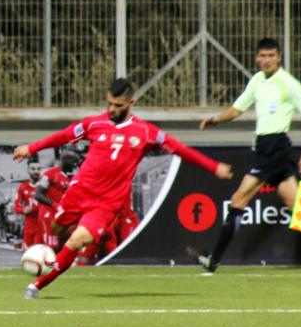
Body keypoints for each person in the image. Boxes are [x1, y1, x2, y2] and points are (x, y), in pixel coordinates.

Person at [14, 77, 232, 298]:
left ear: (131, 103)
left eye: (118, 105)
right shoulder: (93, 124)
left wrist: (213, 167)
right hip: (79, 193)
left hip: (106, 204)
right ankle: (54, 256)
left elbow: (179, 149)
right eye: (109, 103)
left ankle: (36, 286)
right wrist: (32, 148)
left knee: (77, 241)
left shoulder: (145, 132)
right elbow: (65, 135)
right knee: (55, 229)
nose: (111, 109)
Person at [192, 37, 301, 272]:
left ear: (279, 58)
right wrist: (215, 120)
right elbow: (237, 109)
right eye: (262, 56)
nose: (266, 60)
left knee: (239, 199)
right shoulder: (256, 80)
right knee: (295, 204)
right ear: (256, 58)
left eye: (271, 56)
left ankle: (214, 260)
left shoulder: (288, 83)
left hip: (275, 147)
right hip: (266, 147)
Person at [34, 149, 79, 249]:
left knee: (61, 247)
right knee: (51, 246)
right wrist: (53, 204)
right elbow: (37, 194)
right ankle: (47, 264)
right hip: (48, 215)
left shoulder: (69, 177)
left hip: (59, 216)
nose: (75, 165)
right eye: (73, 162)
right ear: (65, 160)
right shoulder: (50, 174)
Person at [12, 158, 44, 248]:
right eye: (33, 169)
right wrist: (23, 210)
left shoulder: (45, 186)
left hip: (41, 226)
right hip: (28, 227)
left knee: (38, 253)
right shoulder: (23, 187)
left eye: (38, 169)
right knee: (28, 255)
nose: (36, 171)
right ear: (28, 170)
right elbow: (16, 207)